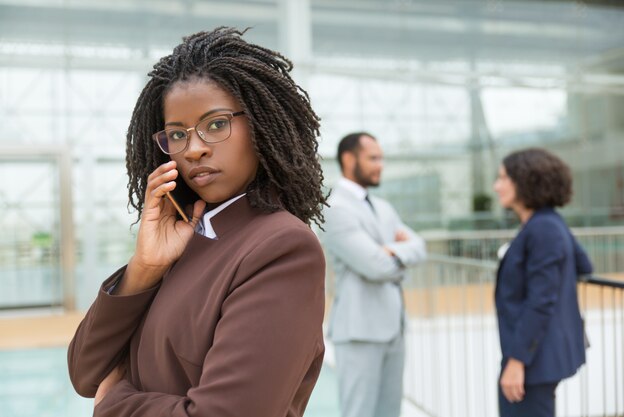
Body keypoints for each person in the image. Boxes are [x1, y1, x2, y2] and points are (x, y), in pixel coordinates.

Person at [67, 27, 328, 417]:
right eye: (177, 134)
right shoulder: (183, 238)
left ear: (259, 124)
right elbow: (85, 373)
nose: (194, 148)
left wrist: (114, 405)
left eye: (217, 124)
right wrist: (144, 269)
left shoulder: (281, 247)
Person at [321, 132, 427, 417]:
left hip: (395, 326)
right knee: (360, 412)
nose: (380, 165)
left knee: (390, 411)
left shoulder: (384, 207)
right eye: (373, 158)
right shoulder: (334, 207)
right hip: (359, 331)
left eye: (381, 158)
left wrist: (389, 251)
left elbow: (420, 247)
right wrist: (398, 251)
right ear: (348, 158)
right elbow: (376, 266)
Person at [493, 148, 592, 417]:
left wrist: (516, 361)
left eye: (503, 178)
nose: (496, 186)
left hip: (532, 357)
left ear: (526, 181)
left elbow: (541, 299)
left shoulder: (543, 227)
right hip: (537, 351)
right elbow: (584, 265)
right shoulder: (548, 222)